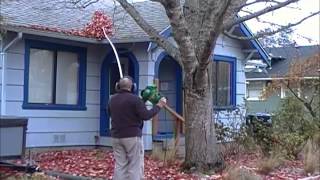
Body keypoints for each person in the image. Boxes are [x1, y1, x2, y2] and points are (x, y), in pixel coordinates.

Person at [108, 76, 166, 180]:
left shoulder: (112, 99)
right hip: (132, 137)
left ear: (117, 86)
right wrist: (158, 106)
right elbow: (146, 115)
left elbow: (110, 113)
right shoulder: (135, 100)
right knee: (135, 166)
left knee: (120, 166)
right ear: (133, 87)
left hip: (116, 137)